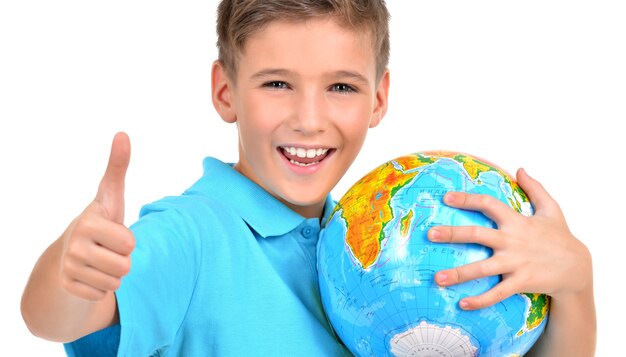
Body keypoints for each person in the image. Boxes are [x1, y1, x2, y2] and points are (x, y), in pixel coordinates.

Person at [21, 0, 596, 356]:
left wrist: (575, 282)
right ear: (226, 91)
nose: (309, 118)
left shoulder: (382, 246)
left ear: (379, 98)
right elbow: (55, 318)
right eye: (277, 83)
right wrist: (71, 274)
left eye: (341, 87)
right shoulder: (192, 235)